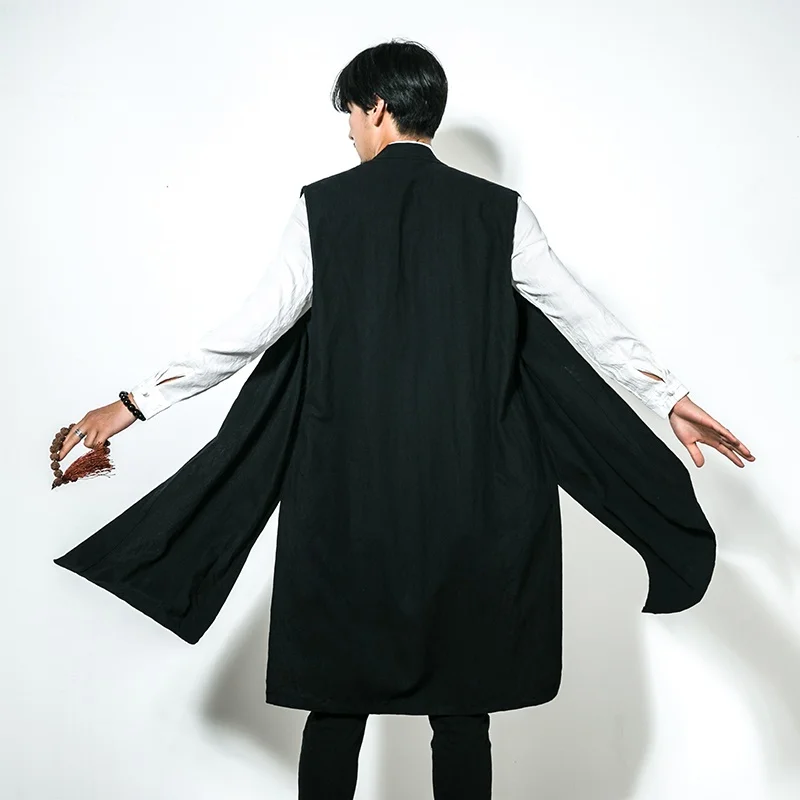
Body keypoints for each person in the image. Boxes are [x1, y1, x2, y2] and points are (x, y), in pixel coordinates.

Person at [55, 39, 754, 800]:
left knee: (335, 703)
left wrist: (133, 404)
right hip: (473, 500)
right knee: (462, 710)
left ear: (378, 108)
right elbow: (586, 321)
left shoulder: (323, 206)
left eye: (352, 116)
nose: (350, 134)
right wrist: (669, 398)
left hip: (346, 501)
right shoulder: (499, 212)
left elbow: (247, 334)